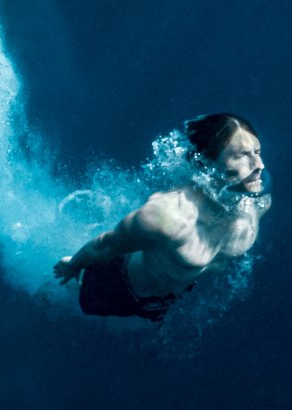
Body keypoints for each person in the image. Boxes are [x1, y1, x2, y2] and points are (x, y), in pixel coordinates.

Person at [53, 113, 270, 323]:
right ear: (205, 163)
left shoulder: (259, 203)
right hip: (118, 286)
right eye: (241, 155)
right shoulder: (167, 216)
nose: (258, 164)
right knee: (57, 300)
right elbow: (104, 246)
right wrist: (73, 265)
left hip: (164, 299)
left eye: (257, 152)